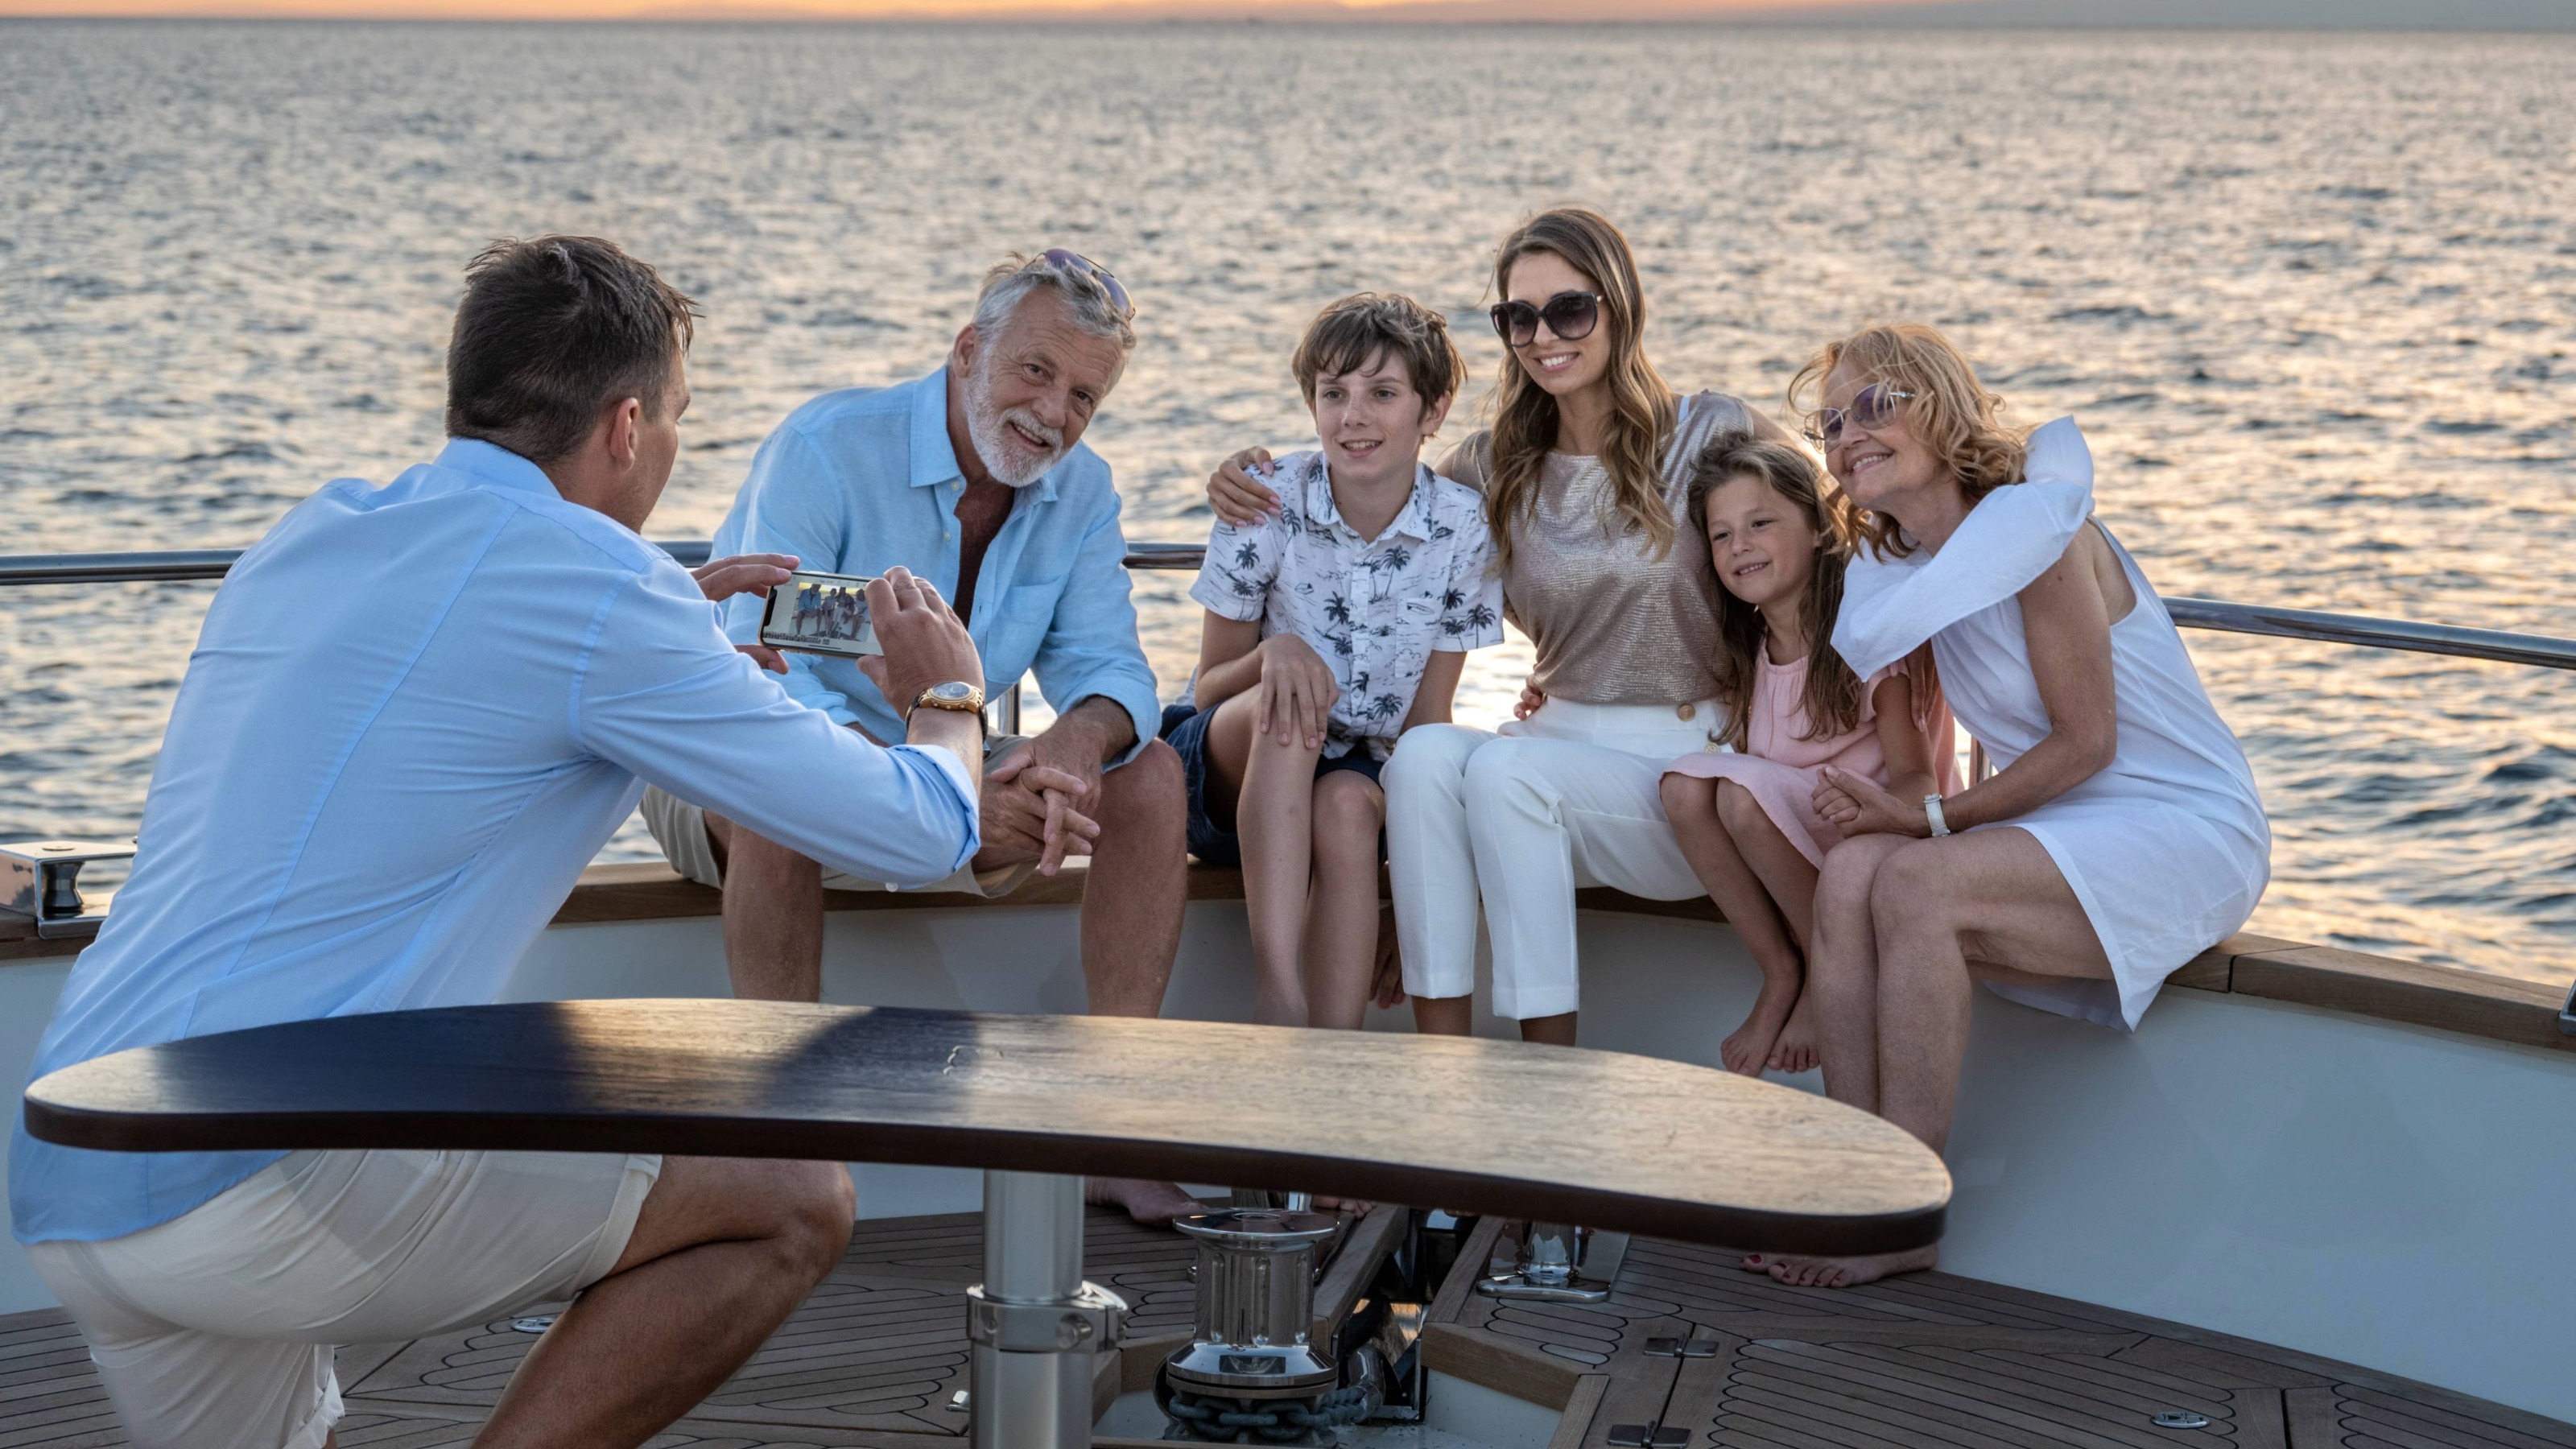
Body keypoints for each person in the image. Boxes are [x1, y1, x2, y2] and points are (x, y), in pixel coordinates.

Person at [9, 236, 992, 1449]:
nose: (675, 450)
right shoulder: (601, 588)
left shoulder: (312, 535)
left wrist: (667, 622)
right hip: (263, 1182)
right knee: (790, 1201)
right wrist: (950, 698)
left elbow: (449, 669)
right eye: (678, 422)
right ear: (626, 428)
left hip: (77, 1159)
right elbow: (922, 830)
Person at [638, 249, 1193, 1224]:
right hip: (738, 772)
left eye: (1083, 397)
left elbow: (1113, 673)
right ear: (969, 350)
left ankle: (1110, 1130)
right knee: (783, 791)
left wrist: (1065, 750)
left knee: (1145, 777)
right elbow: (756, 686)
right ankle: (782, 1152)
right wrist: (936, 780)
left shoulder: (1085, 492)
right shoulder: (826, 446)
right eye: (1034, 372)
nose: (1054, 414)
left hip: (945, 772)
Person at [1739, 323, 2269, 1290]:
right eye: (1828, 423)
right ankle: (1852, 1185)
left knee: (1914, 887)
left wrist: (1933, 823)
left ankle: (1902, 1216)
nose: (1845, 434)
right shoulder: (1907, 568)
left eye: (1872, 405)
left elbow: (2085, 741)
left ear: (1937, 408)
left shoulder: (2036, 529)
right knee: (1855, 867)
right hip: (2063, 825)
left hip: (2176, 821)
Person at [1208, 208, 1804, 1043]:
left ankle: (1544, 1083)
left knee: (1502, 776)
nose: (1541, 335)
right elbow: (1373, 471)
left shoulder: (1709, 432)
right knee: (1424, 755)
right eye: (1517, 317)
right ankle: (1443, 1068)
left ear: (1618, 307)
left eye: (1567, 309)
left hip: (1682, 765)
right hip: (1556, 746)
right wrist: (1242, 475)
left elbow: (1828, 533)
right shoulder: (1493, 464)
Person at [1165, 293, 1498, 1030]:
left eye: (1383, 393)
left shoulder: (1463, 527)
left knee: (1349, 809)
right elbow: (1210, 686)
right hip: (1226, 760)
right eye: (1334, 393)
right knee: (1295, 708)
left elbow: (1427, 723)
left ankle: (1331, 1059)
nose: (1354, 416)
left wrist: (1408, 886)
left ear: (1432, 410)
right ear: (1310, 402)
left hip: (1358, 769)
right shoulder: (1265, 500)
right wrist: (1277, 654)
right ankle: (1279, 994)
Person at [1656, 432, 1957, 1076]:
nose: (1740, 547)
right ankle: (1783, 967)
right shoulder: (1751, 652)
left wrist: (1878, 811)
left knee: (1737, 791)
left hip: (1871, 835)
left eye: (1761, 523)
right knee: (1682, 789)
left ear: (1819, 529)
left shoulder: (1862, 636)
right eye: (1722, 535)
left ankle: (1829, 968)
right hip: (1798, 839)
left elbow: (1916, 777)